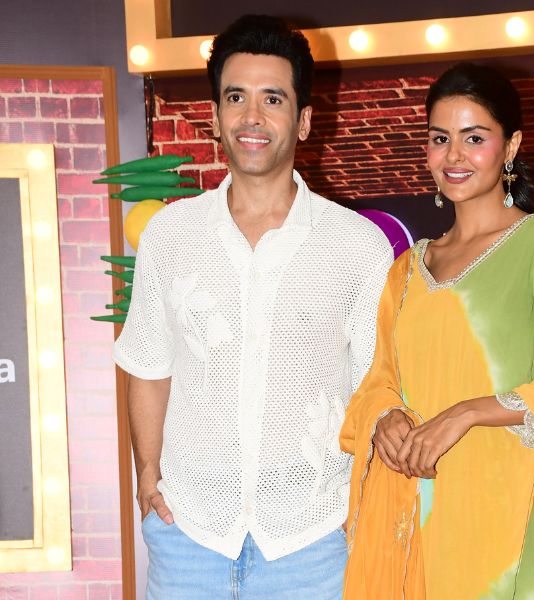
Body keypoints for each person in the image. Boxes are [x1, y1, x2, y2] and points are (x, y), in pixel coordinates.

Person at [113, 15, 393, 599]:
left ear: (304, 120)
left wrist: (365, 505)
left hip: (313, 539)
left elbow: (376, 386)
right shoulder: (171, 235)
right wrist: (147, 476)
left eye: (273, 99)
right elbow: (149, 364)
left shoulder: (356, 245)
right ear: (216, 116)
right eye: (235, 97)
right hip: (188, 532)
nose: (252, 117)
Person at [340, 62, 534, 599]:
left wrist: (465, 414)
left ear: (511, 147)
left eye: (474, 138)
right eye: (440, 139)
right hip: (411, 510)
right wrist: (385, 417)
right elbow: (377, 380)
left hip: (498, 512)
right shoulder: (407, 269)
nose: (454, 156)